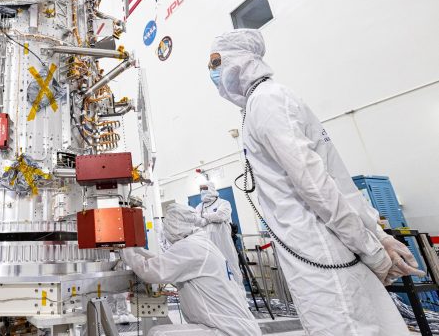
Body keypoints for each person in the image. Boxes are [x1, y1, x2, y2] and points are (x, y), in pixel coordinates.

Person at [209, 29, 423, 335]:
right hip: (322, 252)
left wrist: (373, 247)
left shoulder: (267, 102)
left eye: (216, 62)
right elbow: (333, 178)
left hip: (322, 255)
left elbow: (316, 185)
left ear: (241, 60)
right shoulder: (265, 101)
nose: (213, 73)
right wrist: (375, 236)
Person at [121, 203, 262, 336]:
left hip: (225, 330)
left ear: (175, 226)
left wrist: (127, 252)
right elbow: (170, 262)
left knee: (158, 333)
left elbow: (150, 272)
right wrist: (140, 252)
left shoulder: (190, 247)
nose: (166, 231)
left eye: (167, 226)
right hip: (234, 326)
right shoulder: (200, 243)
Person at [193, 182, 243, 288]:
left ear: (211, 188)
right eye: (200, 189)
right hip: (206, 242)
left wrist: (204, 217)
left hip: (223, 241)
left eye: (205, 188)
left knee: (230, 265)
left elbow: (221, 215)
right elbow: (196, 221)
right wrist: (209, 218)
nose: (202, 191)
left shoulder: (223, 203)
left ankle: (238, 293)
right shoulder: (199, 207)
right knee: (210, 267)